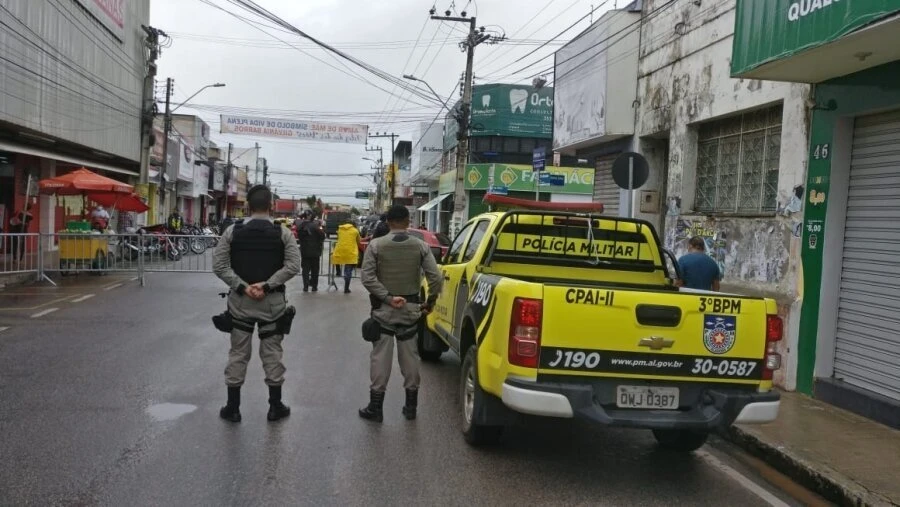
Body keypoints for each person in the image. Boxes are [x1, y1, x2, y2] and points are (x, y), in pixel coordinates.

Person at [212, 185, 301, 423]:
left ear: (248, 206)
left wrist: (243, 286)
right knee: (272, 353)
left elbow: (219, 266)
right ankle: (275, 406)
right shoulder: (283, 233)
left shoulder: (233, 231)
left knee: (238, 354)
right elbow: (293, 266)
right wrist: (267, 285)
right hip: (272, 304)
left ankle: (233, 408)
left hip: (241, 302)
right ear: (271, 205)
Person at [358, 205, 443, 423]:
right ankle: (411, 407)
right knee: (410, 358)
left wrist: (387, 298)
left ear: (388, 222)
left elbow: (367, 278)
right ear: (407, 222)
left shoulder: (376, 245)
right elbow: (435, 278)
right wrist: (430, 302)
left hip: (383, 311)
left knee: (380, 358)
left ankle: (376, 408)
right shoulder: (421, 246)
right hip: (410, 310)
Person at [297, 210, 325, 292]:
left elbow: (299, 237)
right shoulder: (315, 226)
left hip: (305, 252)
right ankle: (314, 287)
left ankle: (305, 287)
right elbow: (322, 236)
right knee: (315, 270)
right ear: (310, 216)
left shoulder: (300, 226)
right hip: (315, 252)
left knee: (305, 270)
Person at [331, 218, 361, 294]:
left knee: (338, 260)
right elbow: (359, 241)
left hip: (340, 251)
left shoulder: (340, 230)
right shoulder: (355, 231)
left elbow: (339, 238)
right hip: (351, 252)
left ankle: (338, 272)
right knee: (348, 271)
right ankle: (346, 288)